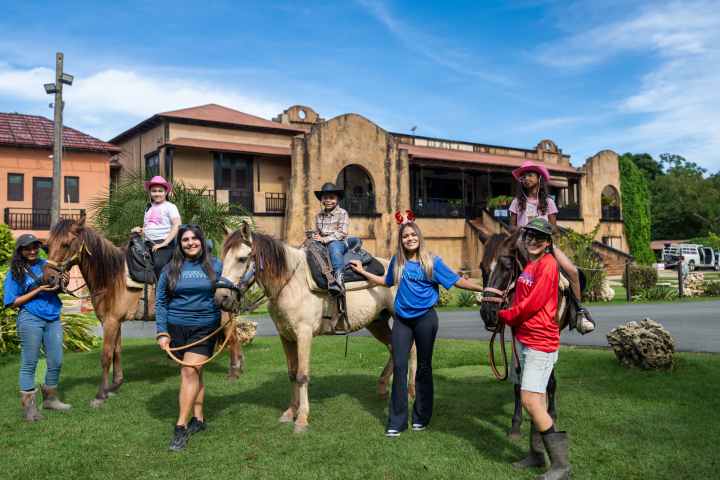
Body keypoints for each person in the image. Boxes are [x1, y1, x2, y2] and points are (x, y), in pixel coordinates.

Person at [351, 214, 482, 437]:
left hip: (426, 320)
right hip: (402, 320)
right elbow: (386, 281)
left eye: (413, 235)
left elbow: (456, 280)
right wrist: (363, 272)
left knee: (423, 367)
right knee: (400, 366)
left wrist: (483, 290)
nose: (409, 239)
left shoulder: (432, 262)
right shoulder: (397, 261)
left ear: (419, 237)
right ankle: (397, 421)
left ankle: (421, 416)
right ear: (401, 241)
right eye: (405, 236)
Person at [499, 218, 571, 479]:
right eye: (529, 235)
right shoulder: (532, 263)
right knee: (537, 399)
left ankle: (562, 466)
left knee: (529, 399)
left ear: (548, 242)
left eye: (539, 237)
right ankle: (536, 454)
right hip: (526, 338)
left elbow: (533, 304)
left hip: (540, 341)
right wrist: (511, 316)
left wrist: (507, 316)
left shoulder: (549, 265)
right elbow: (522, 297)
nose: (532, 240)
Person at [155, 224, 222, 451]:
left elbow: (228, 292)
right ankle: (199, 419)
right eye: (185, 239)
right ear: (179, 244)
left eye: (195, 238)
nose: (191, 242)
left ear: (202, 242)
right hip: (176, 328)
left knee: (189, 371)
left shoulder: (216, 266)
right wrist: (162, 332)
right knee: (195, 373)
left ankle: (180, 428)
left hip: (205, 328)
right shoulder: (170, 269)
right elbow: (161, 302)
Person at [509, 160, 594, 334]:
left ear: (539, 178)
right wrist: (525, 228)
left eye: (530, 175)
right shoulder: (516, 203)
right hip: (522, 243)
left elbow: (554, 228)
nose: (526, 178)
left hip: (545, 244)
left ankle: (578, 312)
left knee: (572, 271)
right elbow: (511, 228)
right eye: (523, 176)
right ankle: (497, 306)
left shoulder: (548, 202)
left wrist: (541, 227)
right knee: (502, 269)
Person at [3, 234, 71, 421]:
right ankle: (29, 408)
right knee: (30, 363)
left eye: (35, 247)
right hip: (30, 318)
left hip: (53, 317)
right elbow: (12, 302)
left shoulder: (47, 264)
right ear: (20, 251)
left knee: (56, 360)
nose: (32, 251)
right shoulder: (15, 271)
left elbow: (58, 287)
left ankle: (50, 399)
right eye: (27, 248)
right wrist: (37, 290)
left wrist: (64, 281)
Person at [131, 175, 181, 282]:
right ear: (150, 192)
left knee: (159, 266)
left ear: (166, 192)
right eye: (154, 191)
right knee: (130, 254)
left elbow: (177, 224)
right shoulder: (148, 208)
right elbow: (147, 227)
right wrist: (140, 230)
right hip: (148, 243)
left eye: (160, 191)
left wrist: (164, 243)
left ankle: (162, 293)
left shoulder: (170, 206)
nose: (157, 193)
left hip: (164, 244)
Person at [312, 182, 352, 295]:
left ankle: (339, 279)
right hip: (322, 242)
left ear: (337, 199)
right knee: (309, 248)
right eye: (325, 198)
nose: (328, 200)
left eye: (331, 197)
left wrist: (325, 239)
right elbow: (318, 232)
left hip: (338, 241)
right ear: (322, 200)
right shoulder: (319, 216)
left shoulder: (342, 213)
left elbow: (342, 232)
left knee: (334, 249)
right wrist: (315, 236)